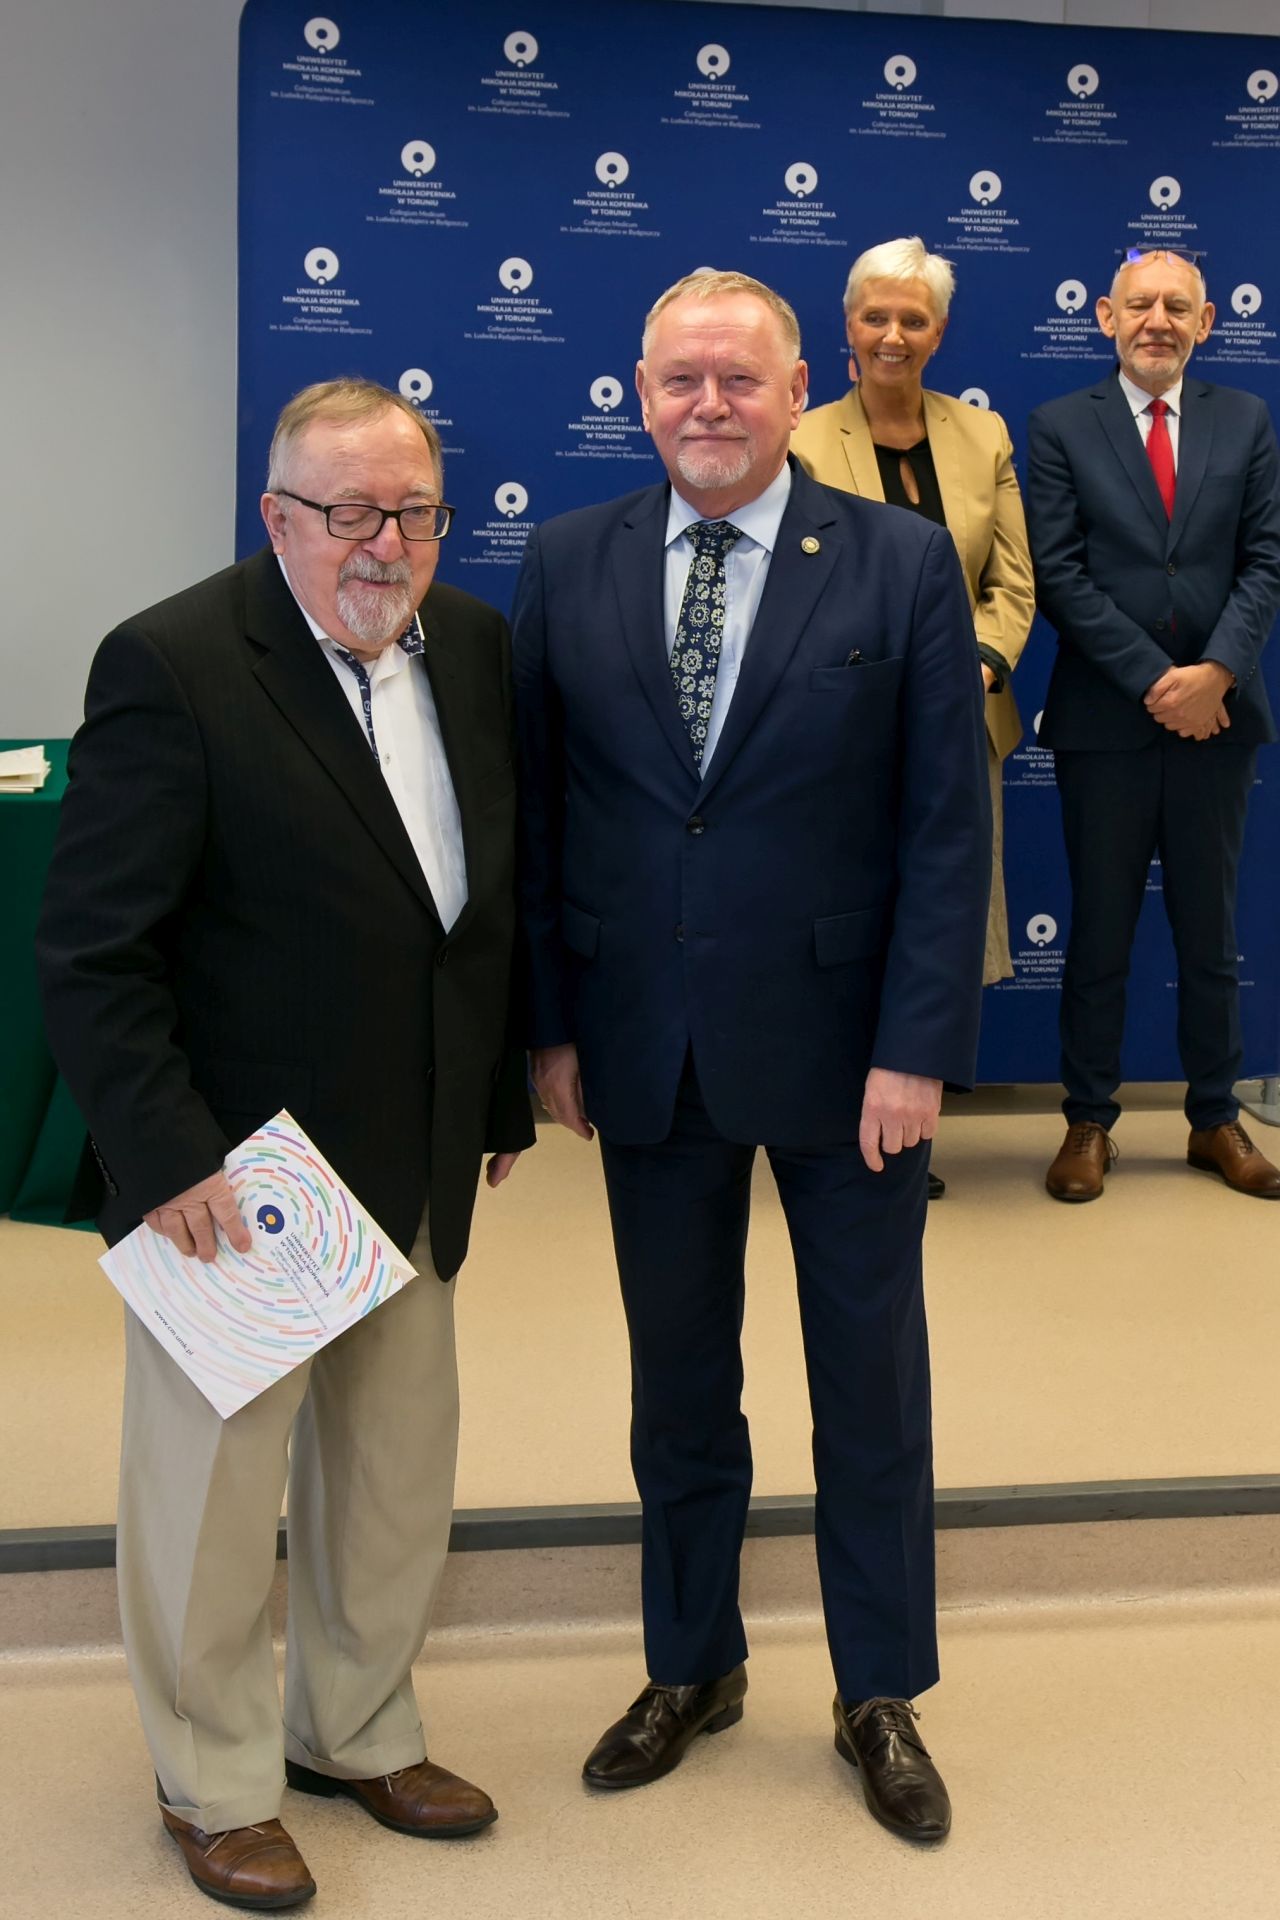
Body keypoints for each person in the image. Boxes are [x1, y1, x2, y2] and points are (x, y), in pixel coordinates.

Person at [36, 378, 534, 1909]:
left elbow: (474, 907)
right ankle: (213, 1781)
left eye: (417, 513)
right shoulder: (176, 662)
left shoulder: (476, 649)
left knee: (393, 1476)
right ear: (277, 516)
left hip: (416, 1148)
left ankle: (354, 1730)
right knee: (209, 1499)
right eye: (351, 512)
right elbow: (93, 950)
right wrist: (167, 1156)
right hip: (241, 1174)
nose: (386, 544)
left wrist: (493, 1097)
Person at [513, 270, 990, 1842]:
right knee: (678, 1385)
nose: (708, 404)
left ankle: (880, 1691)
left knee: (870, 1384)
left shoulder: (901, 561)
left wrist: (917, 1046)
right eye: (680, 378)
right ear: (638, 391)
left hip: (855, 1058)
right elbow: (540, 815)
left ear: (799, 391)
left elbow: (946, 823)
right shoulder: (568, 560)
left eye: (740, 378)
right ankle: (691, 1663)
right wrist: (553, 1024)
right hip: (646, 1045)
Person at [1026, 249, 1280, 1203]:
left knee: (1211, 934)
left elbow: (1266, 560)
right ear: (1107, 316)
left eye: (1178, 306)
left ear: (1205, 323)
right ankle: (1088, 1120)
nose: (1157, 321)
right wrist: (1158, 682)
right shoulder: (1060, 425)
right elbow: (1059, 574)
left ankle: (1214, 1118)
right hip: (1107, 722)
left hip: (1221, 719)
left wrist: (1215, 675)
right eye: (1140, 305)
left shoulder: (1246, 419)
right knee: (1099, 932)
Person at [792, 236, 1035, 1199]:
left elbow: (1013, 583)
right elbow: (795, 588)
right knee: (848, 922)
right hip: (842, 728)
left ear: (939, 332)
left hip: (963, 722)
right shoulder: (804, 440)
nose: (893, 335)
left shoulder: (984, 435)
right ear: (848, 325)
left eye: (914, 319)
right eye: (876, 316)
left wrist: (976, 665)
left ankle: (907, 1119)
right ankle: (842, 1120)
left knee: (939, 921)